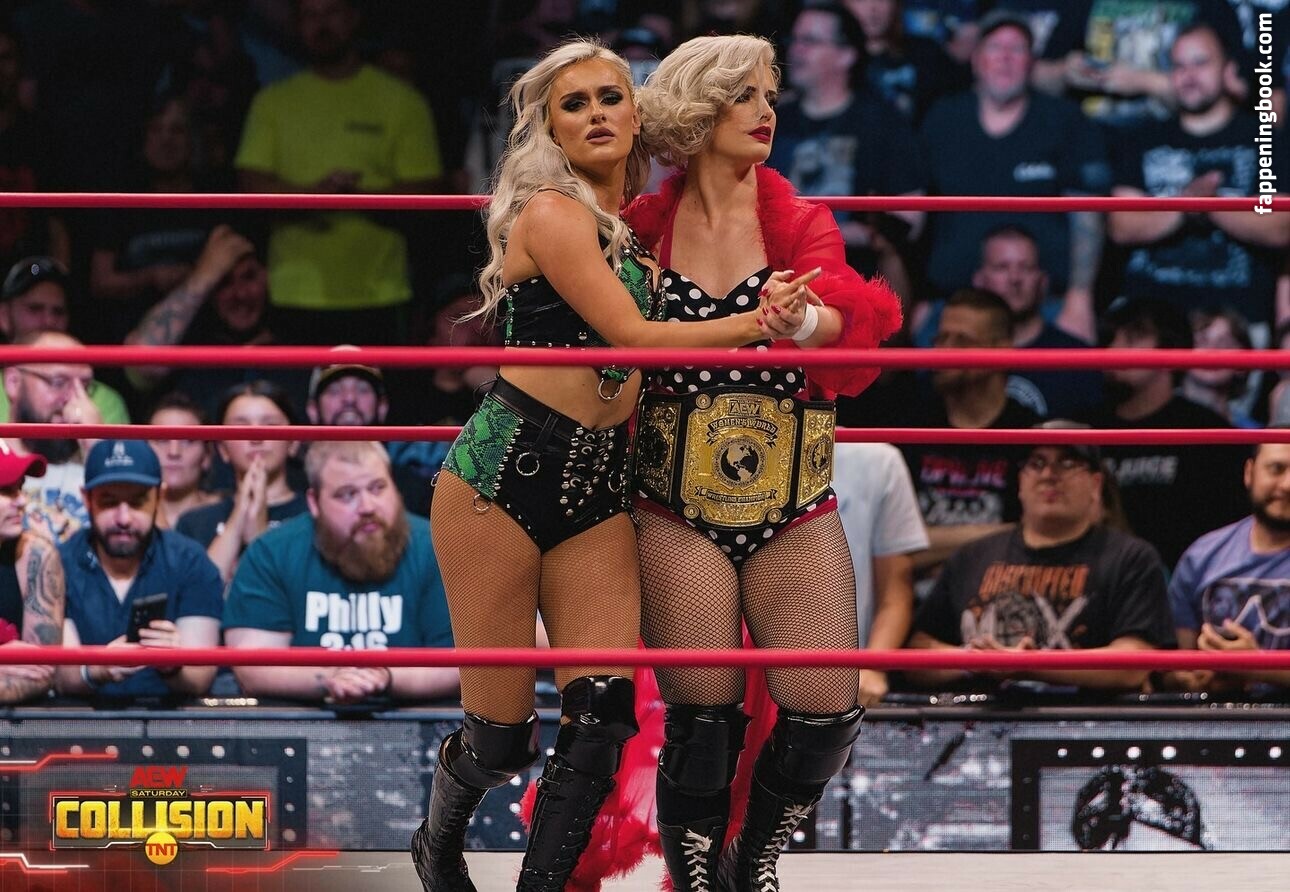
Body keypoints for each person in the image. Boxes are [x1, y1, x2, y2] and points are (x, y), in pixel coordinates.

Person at [410, 39, 792, 892]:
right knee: (499, 741)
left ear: (637, 112)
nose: (595, 115)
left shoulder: (639, 230)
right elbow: (633, 338)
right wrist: (756, 324)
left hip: (596, 488)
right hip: (501, 482)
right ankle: (436, 842)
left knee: (603, 718)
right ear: (550, 128)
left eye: (610, 97)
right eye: (573, 104)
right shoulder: (552, 212)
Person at [626, 34, 901, 891]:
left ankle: (753, 861)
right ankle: (697, 880)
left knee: (825, 712)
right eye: (745, 95)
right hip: (675, 505)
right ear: (699, 109)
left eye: (770, 95)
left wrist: (802, 323)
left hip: (792, 503)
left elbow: (850, 323)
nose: (766, 111)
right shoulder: (642, 228)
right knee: (702, 719)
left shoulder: (799, 220)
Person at [235, 0, 444, 345]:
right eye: (310, 15)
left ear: (354, 17)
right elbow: (249, 186)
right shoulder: (272, 101)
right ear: (297, 24)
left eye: (331, 12)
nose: (321, 25)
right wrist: (315, 197)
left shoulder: (402, 101)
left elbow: (429, 193)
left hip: (381, 293)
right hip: (292, 293)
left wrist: (357, 199)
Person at [907, 440, 1176, 693]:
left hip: (1085, 719)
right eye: (1036, 463)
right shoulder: (972, 556)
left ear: (1096, 484)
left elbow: (1134, 663)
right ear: (1020, 482)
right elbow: (917, 653)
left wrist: (1031, 665)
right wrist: (971, 659)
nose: (1049, 475)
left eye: (1067, 464)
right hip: (974, 718)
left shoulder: (1131, 558)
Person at [223, 441, 458, 703]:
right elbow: (253, 666)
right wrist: (332, 677)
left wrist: (385, 677)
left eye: (378, 488)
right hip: (304, 719)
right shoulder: (272, 552)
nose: (368, 506)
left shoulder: (436, 547)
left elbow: (462, 664)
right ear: (314, 502)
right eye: (347, 494)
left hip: (418, 720)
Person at [919, 10, 1109, 334]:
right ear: (976, 60)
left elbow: (1088, 216)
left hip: (1049, 308)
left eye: (1017, 49)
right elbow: (915, 211)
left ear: (1032, 63)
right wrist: (918, 300)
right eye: (995, 48)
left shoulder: (1066, 121)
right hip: (954, 305)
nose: (1005, 58)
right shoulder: (942, 120)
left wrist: (1079, 299)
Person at [1108, 23, 1290, 330]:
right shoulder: (1141, 138)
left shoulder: (1265, 140)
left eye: (1200, 63)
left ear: (1228, 70)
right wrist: (1187, 204)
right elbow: (1122, 225)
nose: (1189, 76)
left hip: (1238, 322)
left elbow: (1280, 226)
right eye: (1179, 66)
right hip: (1151, 323)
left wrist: (1210, 204)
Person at [766, 2, 924, 306]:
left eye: (810, 41)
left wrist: (852, 233)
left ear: (846, 54)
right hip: (775, 278)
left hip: (854, 280)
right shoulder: (772, 117)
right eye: (795, 39)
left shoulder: (882, 123)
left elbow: (909, 217)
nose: (797, 50)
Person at [1080, 296, 1249, 569]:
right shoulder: (1082, 428)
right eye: (1110, 339)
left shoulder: (1210, 436)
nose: (1114, 350)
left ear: (1171, 353)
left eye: (1133, 339)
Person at [56, 439, 222, 699]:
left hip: (168, 718)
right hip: (80, 719)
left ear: (159, 497)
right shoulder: (59, 563)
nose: (124, 518)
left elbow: (201, 678)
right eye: (109, 502)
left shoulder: (190, 561)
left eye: (138, 502)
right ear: (86, 499)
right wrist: (98, 669)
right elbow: (59, 676)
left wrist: (172, 665)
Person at [902, 289, 1040, 580]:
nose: (944, 352)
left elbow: (1038, 540)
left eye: (961, 341)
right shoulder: (910, 425)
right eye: (941, 339)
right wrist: (1002, 533)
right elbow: (895, 547)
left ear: (1002, 351)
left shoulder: (1029, 433)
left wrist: (938, 546)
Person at [123, 226, 311, 416]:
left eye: (249, 277)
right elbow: (141, 366)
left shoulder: (299, 346)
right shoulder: (188, 350)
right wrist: (203, 274)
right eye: (224, 282)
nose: (240, 294)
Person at [1168, 440, 1290, 696]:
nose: (1287, 484)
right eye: (1276, 469)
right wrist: (1193, 678)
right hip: (1212, 716)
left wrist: (1257, 665)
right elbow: (1174, 665)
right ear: (1249, 472)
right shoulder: (1202, 555)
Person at [175, 381, 308, 581]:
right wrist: (238, 518)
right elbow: (199, 590)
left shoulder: (314, 517)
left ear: (294, 442)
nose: (256, 437)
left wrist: (258, 536)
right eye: (241, 427)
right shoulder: (194, 523)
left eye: (270, 425)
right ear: (222, 448)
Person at [832, 441, 928, 707]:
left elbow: (895, 593)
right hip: (745, 660)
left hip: (840, 676)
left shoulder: (877, 460)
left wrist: (872, 667)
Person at [2, 331, 113, 543]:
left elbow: (158, 550)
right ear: (13, 382)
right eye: (58, 382)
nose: (75, 399)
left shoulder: (97, 457)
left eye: (85, 386)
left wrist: (97, 445)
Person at [0, 257, 131, 423]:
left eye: (58, 311)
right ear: (4, 316)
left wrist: (94, 435)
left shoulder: (104, 400)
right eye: (35, 309)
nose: (48, 321)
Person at [0, 441, 63, 704]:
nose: (22, 501)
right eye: (5, 490)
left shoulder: (35, 554)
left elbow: (42, 672)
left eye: (21, 487)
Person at [146, 391, 221, 528]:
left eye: (188, 441)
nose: (174, 452)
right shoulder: (125, 515)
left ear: (207, 455)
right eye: (162, 440)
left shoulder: (227, 513)